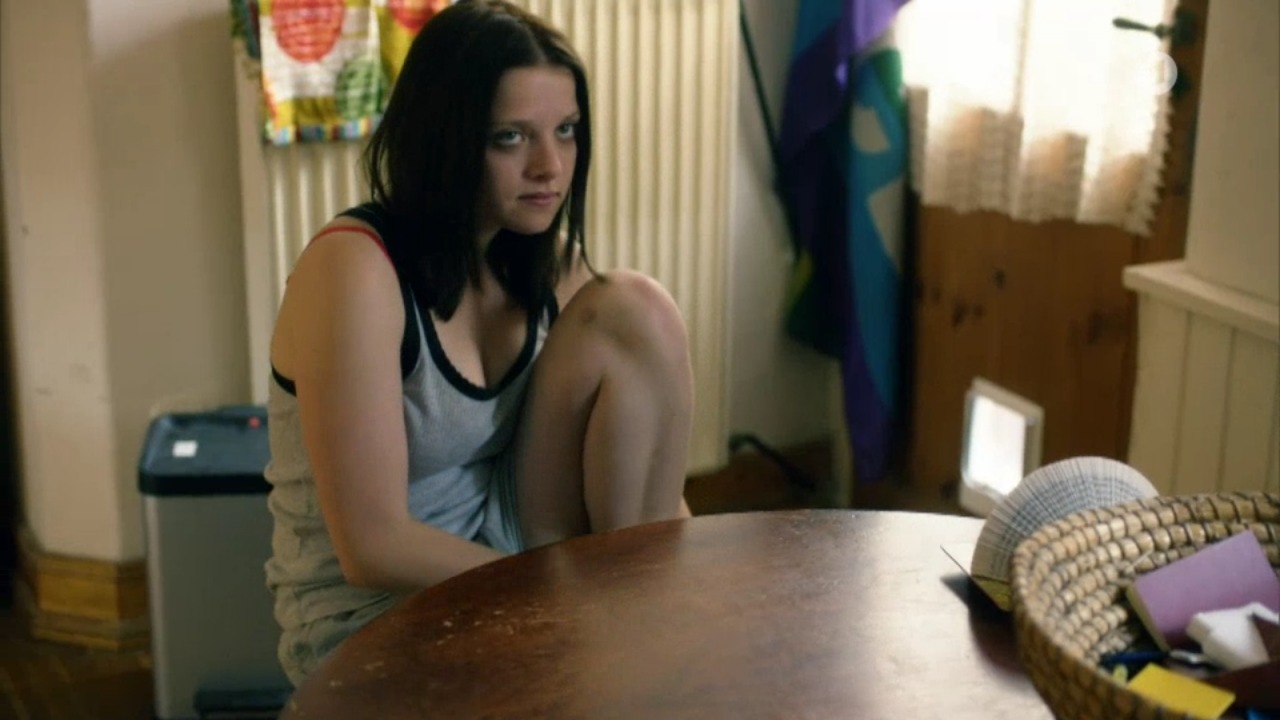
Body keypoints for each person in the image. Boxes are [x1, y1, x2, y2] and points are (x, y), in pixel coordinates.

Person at [261, 0, 694, 687]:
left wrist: (686, 572)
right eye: (510, 138)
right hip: (379, 615)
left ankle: (636, 626)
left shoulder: (542, 258)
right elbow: (372, 548)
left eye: (566, 131)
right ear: (446, 140)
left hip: (514, 551)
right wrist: (563, 598)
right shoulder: (354, 270)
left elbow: (654, 481)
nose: (550, 166)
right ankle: (620, 636)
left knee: (638, 309)